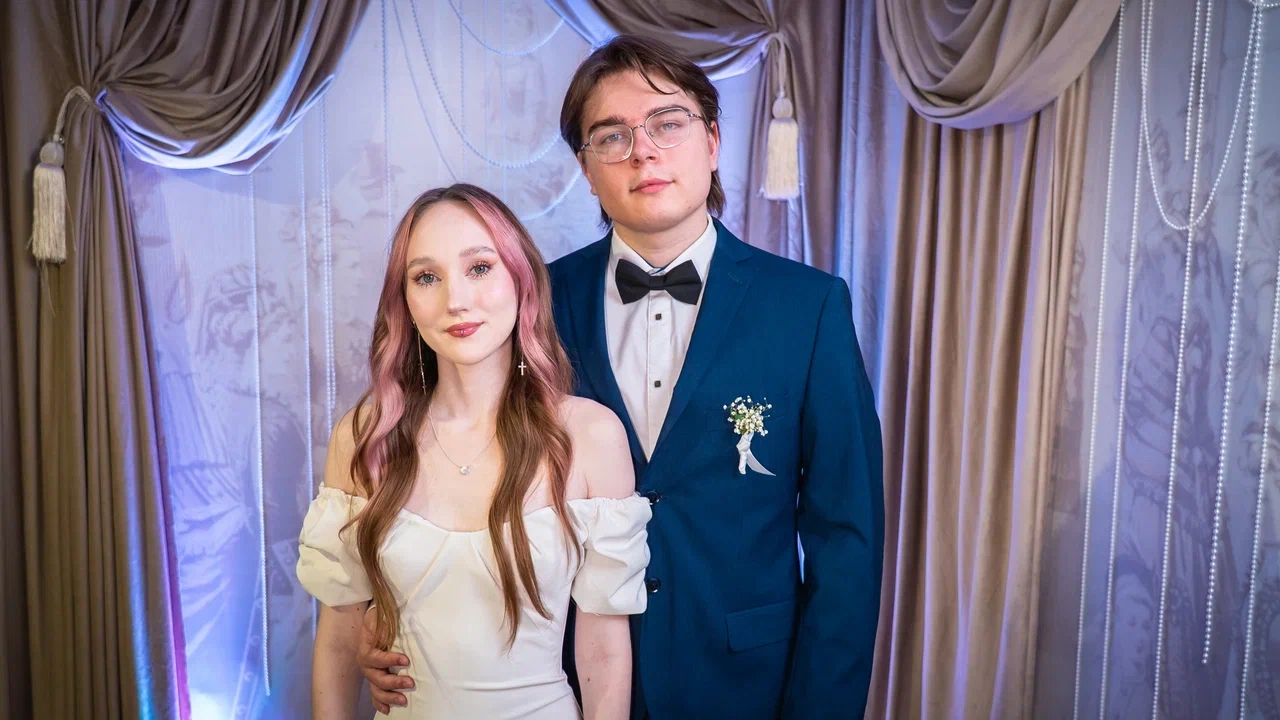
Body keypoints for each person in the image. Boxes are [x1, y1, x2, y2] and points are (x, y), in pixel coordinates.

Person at [360, 34, 885, 719]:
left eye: (667, 123)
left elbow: (847, 536)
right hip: (566, 680)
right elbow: (448, 467)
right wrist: (390, 619)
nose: (643, 152)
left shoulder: (807, 308)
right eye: (612, 136)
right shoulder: (529, 302)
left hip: (745, 683)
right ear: (586, 168)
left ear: (713, 141)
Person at [297, 183, 652, 719]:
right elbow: (339, 640)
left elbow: (603, 652)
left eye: (480, 268)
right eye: (426, 277)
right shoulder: (367, 434)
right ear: (404, 301)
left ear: (521, 278)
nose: (455, 300)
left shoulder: (589, 435)